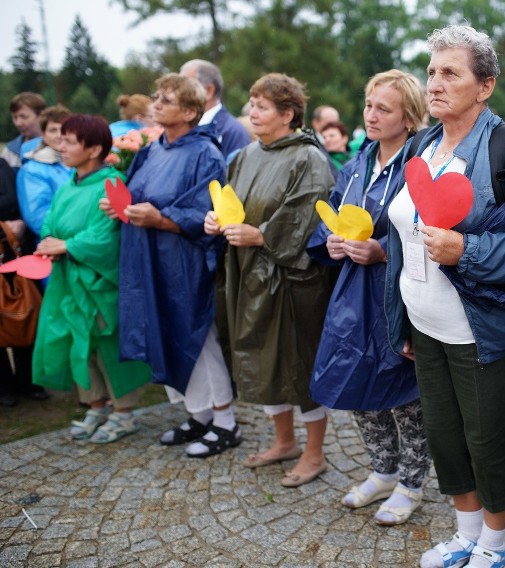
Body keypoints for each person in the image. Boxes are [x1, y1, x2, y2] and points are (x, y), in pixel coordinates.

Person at [385, 25, 505, 568]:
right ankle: (464, 536)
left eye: (450, 73)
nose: (434, 83)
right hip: (425, 322)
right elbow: (400, 239)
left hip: (481, 326)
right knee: (444, 436)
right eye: (432, 71)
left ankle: (494, 545)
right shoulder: (421, 144)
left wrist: (468, 249)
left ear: (484, 86)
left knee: (487, 442)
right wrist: (401, 325)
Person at [307, 70, 431, 524]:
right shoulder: (359, 161)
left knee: (404, 391)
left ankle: (412, 482)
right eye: (369, 105)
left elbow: (428, 229)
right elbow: (332, 210)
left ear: (409, 115)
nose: (372, 115)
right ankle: (382, 470)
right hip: (352, 293)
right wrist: (332, 241)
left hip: (397, 292)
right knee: (357, 380)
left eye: (385, 108)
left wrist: (383, 250)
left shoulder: (420, 163)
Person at [101, 73, 239, 457]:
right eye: (156, 97)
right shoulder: (152, 149)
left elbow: (207, 209)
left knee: (197, 336)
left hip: (184, 260)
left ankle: (226, 421)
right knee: (163, 329)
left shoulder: (205, 153)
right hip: (148, 258)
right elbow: (139, 194)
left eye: (166, 99)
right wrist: (120, 206)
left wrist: (161, 218)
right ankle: (199, 415)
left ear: (191, 111)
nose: (156, 103)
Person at [207, 72, 334, 485]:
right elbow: (231, 202)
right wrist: (217, 219)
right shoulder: (245, 155)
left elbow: (308, 215)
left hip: (293, 279)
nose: (251, 112)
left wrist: (262, 234)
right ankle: (284, 441)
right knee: (261, 356)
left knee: (298, 363)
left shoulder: (308, 157)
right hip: (248, 272)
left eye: (261, 106)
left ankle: (314, 453)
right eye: (251, 104)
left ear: (288, 113)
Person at [32, 115, 151, 441]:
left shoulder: (112, 183)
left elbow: (105, 238)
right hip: (69, 280)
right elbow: (50, 222)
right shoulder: (70, 182)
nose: (61, 146)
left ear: (95, 148)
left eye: (70, 141)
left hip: (98, 283)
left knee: (107, 345)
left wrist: (67, 245)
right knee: (79, 345)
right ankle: (96, 405)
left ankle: (124, 412)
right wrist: (48, 241)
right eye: (62, 139)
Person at [0, 157, 47, 406]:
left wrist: (12, 225)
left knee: (24, 313)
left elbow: (14, 205)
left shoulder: (4, 167)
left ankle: (28, 382)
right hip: (7, 243)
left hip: (12, 254)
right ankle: (4, 387)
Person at [16, 105, 73, 238]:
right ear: (43, 134)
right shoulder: (32, 170)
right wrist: (73, 239)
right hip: (56, 245)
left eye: (64, 129)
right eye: (53, 130)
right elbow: (37, 217)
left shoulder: (79, 161)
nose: (60, 135)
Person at [180, 59, 251, 158]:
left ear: (209, 91)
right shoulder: (182, 126)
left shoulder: (232, 131)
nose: (178, 93)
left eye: (185, 87)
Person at [1, 92, 46, 169]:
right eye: (15, 117)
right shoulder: (9, 152)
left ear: (41, 116)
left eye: (24, 117)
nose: (18, 123)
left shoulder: (59, 148)